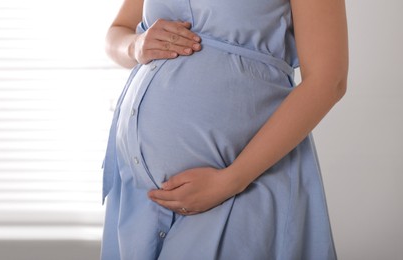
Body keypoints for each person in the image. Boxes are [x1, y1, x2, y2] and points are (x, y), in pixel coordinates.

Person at [100, 0, 348, 259]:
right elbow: (117, 32)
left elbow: (329, 80)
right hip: (139, 194)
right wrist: (135, 45)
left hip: (243, 182)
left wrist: (232, 180)